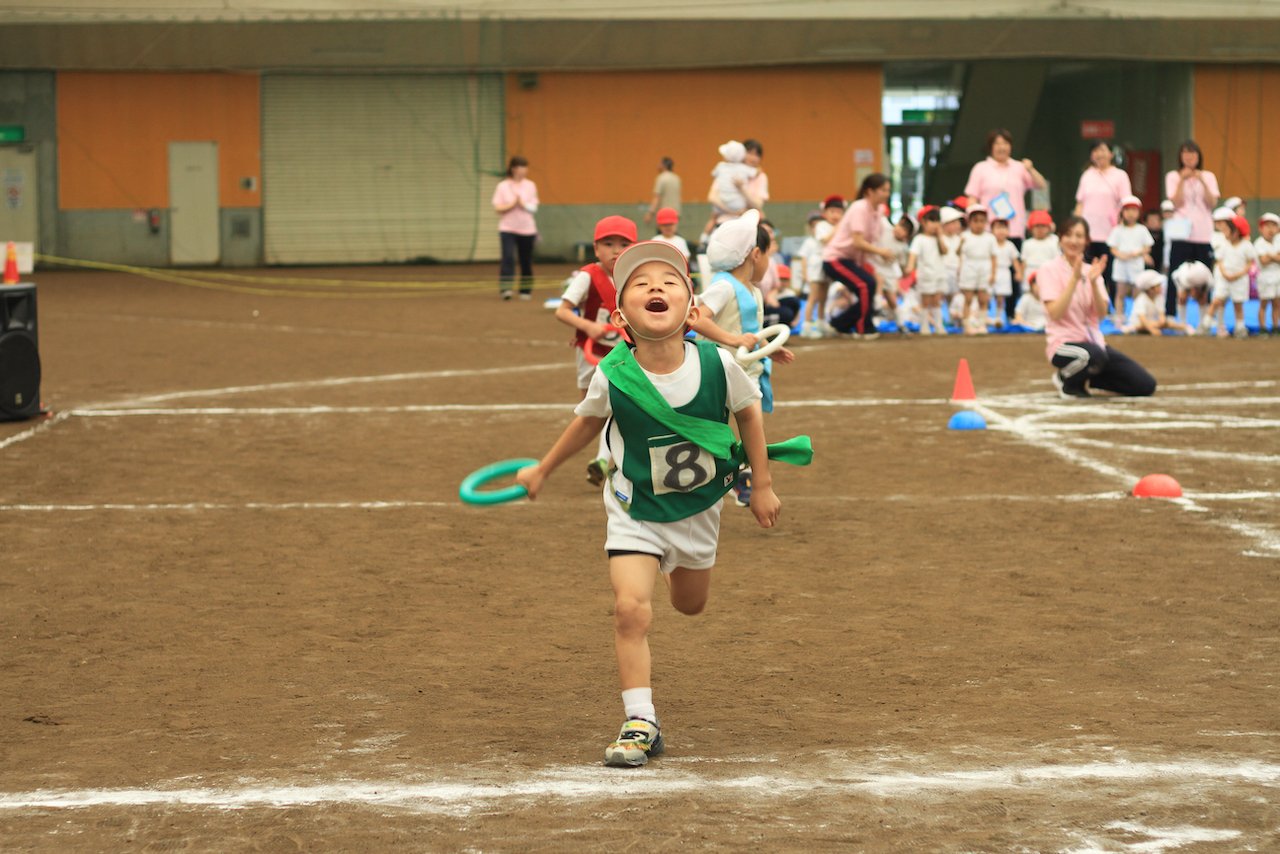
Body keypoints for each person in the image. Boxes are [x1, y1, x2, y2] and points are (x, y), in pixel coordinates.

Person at [516, 240, 809, 768]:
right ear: (620, 310)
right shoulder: (614, 373)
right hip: (634, 507)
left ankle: (676, 570)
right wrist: (542, 467)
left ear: (691, 306)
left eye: (670, 280)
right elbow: (585, 424)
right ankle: (640, 722)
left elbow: (749, 417)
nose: (656, 287)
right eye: (640, 283)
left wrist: (760, 483)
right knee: (630, 609)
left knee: (690, 604)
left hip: (699, 511)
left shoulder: (719, 364)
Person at [691, 211, 796, 505]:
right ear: (756, 254)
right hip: (718, 372)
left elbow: (749, 327)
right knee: (727, 428)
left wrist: (766, 345)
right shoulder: (723, 286)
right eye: (769, 256)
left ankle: (744, 475)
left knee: (750, 425)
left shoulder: (752, 290)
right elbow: (697, 319)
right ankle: (743, 477)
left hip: (744, 371)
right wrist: (733, 340)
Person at [1037, 216, 1156, 398]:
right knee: (1092, 356)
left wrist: (1092, 283)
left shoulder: (1091, 270)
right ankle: (1067, 380)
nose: (1073, 241)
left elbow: (1101, 315)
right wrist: (1074, 280)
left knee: (1145, 385)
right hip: (1063, 343)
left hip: (1094, 343)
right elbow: (1055, 313)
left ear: (1086, 241)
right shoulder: (1048, 269)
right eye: (1068, 235)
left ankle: (1084, 376)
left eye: (1079, 236)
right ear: (1060, 238)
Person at [964, 128, 1048, 317]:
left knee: (1012, 272)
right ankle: (983, 313)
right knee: (986, 270)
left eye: (1005, 143)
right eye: (997, 144)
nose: (1001, 148)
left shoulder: (1019, 167)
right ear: (990, 147)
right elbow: (972, 197)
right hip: (988, 229)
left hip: (1014, 227)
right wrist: (972, 223)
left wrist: (1030, 168)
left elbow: (1041, 185)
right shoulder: (981, 168)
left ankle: (1010, 313)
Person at [554, 215, 638, 400]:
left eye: (624, 244)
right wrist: (588, 327)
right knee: (591, 407)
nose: (616, 251)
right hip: (593, 353)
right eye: (608, 244)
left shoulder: (637, 277)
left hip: (629, 353)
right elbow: (562, 311)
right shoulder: (588, 276)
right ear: (596, 249)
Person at [823, 173, 896, 338]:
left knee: (869, 284)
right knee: (866, 285)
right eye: (883, 190)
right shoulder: (859, 208)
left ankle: (839, 324)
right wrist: (881, 252)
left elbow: (866, 243)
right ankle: (863, 327)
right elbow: (857, 242)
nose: (887, 194)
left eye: (888, 190)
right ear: (870, 191)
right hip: (835, 259)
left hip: (850, 259)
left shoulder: (878, 211)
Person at [1164, 140, 1220, 317]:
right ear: (1180, 156)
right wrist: (1183, 179)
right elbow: (1176, 202)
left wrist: (1201, 180)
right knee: (1176, 275)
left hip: (1203, 233)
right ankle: (1172, 312)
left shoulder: (1209, 176)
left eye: (1193, 153)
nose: (1189, 157)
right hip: (1182, 233)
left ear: (1199, 156)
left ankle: (1206, 315)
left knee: (1205, 276)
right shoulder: (1173, 176)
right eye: (1185, 153)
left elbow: (1212, 203)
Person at [1073, 140, 1131, 289]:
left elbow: (1127, 204)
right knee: (1087, 271)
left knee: (1109, 274)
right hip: (1089, 234)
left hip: (1110, 234)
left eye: (1103, 150)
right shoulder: (1087, 175)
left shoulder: (1120, 175)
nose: (1099, 154)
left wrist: (1122, 229)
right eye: (1096, 151)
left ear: (1111, 154)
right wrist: (1077, 229)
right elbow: (1080, 203)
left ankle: (1108, 307)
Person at [492, 156, 540, 300]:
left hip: (527, 229)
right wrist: (512, 204)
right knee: (507, 258)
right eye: (521, 167)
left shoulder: (531, 185)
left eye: (525, 167)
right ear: (513, 169)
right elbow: (498, 207)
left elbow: (534, 208)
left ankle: (525, 290)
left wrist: (523, 204)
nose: (524, 170)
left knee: (526, 259)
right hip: (507, 229)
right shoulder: (502, 186)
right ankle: (506, 289)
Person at [1106, 195, 1155, 325]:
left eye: (1134, 210)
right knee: (1120, 293)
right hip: (1121, 266)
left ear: (1139, 213)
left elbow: (1148, 247)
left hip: (1136, 265)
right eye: (1128, 210)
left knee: (1136, 294)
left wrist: (1138, 253)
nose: (1131, 214)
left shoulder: (1142, 229)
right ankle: (1119, 316)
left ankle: (1136, 318)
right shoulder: (1117, 230)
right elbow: (1112, 248)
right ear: (1122, 212)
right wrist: (1121, 255)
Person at [800, 195, 844, 338]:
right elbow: (825, 240)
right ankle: (806, 326)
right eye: (832, 212)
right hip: (817, 264)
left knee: (824, 296)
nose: (835, 215)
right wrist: (837, 228)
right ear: (825, 213)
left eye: (839, 212)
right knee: (813, 296)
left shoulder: (838, 227)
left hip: (828, 263)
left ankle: (821, 322)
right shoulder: (822, 226)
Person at [1209, 215, 1258, 338]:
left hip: (1240, 280)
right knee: (1218, 301)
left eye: (1227, 230)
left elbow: (1249, 262)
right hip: (1224, 279)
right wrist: (1225, 273)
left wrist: (1238, 274)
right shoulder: (1223, 244)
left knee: (1238, 305)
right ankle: (1209, 325)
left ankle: (1240, 328)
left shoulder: (1246, 245)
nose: (1224, 233)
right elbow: (1219, 260)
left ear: (1236, 232)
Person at [906, 207, 948, 335]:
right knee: (925, 301)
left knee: (936, 300)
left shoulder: (939, 238)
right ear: (923, 222)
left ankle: (939, 325)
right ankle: (924, 325)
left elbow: (945, 251)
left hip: (939, 274)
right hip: (925, 275)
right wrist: (910, 266)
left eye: (937, 221)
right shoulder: (919, 239)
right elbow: (913, 254)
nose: (935, 224)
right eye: (932, 220)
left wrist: (940, 236)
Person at [956, 204, 997, 333]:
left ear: (986, 222)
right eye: (975, 221)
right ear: (970, 222)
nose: (979, 224)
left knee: (983, 299)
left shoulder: (990, 238)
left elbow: (993, 257)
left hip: (984, 268)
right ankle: (967, 325)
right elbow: (958, 253)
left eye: (982, 221)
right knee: (968, 298)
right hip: (969, 268)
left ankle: (981, 324)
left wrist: (993, 274)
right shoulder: (964, 236)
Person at [1122, 270, 1194, 335]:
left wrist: (1162, 321)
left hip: (1154, 322)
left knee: (1167, 322)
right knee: (1140, 325)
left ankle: (1185, 327)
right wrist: (1152, 330)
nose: (1161, 287)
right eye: (1158, 286)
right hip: (1140, 323)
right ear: (1151, 289)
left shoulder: (1159, 298)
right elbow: (1142, 320)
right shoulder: (1141, 300)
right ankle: (1130, 328)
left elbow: (1161, 314)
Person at [991, 218, 1022, 327]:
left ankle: (999, 317)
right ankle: (985, 317)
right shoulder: (990, 244)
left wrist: (1018, 272)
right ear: (992, 230)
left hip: (1004, 273)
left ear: (1008, 231)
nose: (1001, 231)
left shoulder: (1010, 245)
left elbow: (1015, 260)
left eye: (1004, 228)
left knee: (1000, 296)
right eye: (998, 228)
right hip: (990, 272)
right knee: (987, 295)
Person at [1255, 212, 1280, 335]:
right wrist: (1275, 256)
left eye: (1273, 226)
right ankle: (1263, 327)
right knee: (1263, 304)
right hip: (1264, 278)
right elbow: (1263, 261)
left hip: (1278, 277)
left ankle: (1276, 327)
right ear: (1261, 228)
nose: (1270, 229)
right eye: (1267, 226)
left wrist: (1269, 255)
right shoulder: (1259, 242)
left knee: (1277, 303)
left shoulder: (1278, 240)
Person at [1021, 210, 1060, 282]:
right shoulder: (1027, 243)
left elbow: (1058, 261)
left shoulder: (1054, 241)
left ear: (1049, 228)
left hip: (1049, 273)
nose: (1040, 229)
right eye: (1037, 226)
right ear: (1031, 228)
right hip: (1030, 272)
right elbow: (1024, 262)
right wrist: (1021, 274)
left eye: (1043, 226)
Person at [644, 158, 682, 225]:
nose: (658, 166)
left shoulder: (661, 178)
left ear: (664, 165)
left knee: (662, 234)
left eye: (660, 164)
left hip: (664, 214)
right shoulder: (677, 178)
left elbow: (657, 197)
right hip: (676, 213)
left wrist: (650, 213)